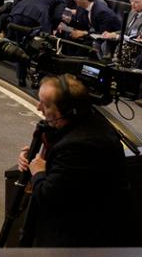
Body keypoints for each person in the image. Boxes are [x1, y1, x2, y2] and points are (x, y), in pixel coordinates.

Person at [18, 75, 125, 247]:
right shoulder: (87, 120)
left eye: (46, 105)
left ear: (67, 111)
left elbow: (48, 197)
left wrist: (38, 171)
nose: (38, 108)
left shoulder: (79, 147)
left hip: (77, 240)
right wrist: (32, 156)